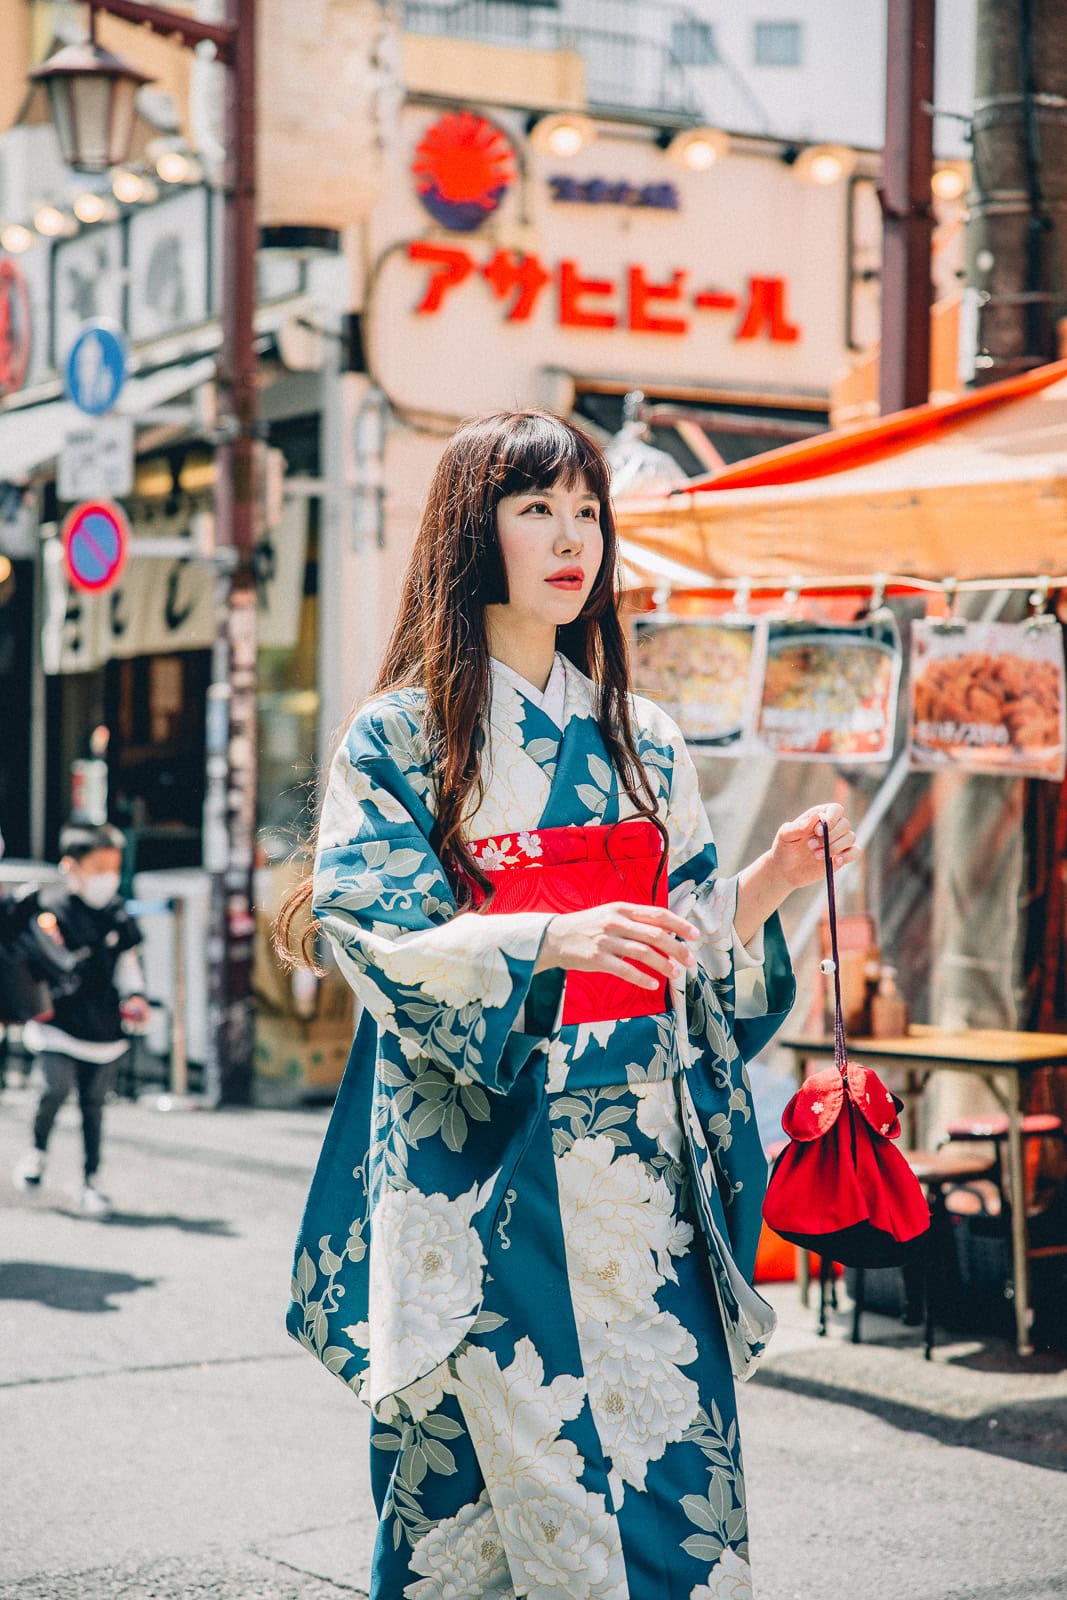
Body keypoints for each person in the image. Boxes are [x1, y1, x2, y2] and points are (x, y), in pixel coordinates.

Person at [278, 411, 858, 1600]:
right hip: (494, 1181)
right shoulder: (398, 736)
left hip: (641, 1184)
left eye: (586, 511)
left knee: (665, 1501)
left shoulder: (640, 735)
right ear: (469, 530)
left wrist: (770, 884)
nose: (569, 538)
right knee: (484, 1510)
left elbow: (685, 951)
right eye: (535, 507)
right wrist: (546, 932)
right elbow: (373, 930)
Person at [12, 822, 150, 1216]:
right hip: (58, 1020)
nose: (108, 876)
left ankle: (91, 1180)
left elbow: (126, 962)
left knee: (94, 1105)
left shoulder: (117, 913)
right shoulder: (50, 910)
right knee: (53, 1087)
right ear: (71, 867)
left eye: (114, 866)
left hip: (104, 1024)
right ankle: (37, 1150)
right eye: (99, 866)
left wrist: (135, 996)